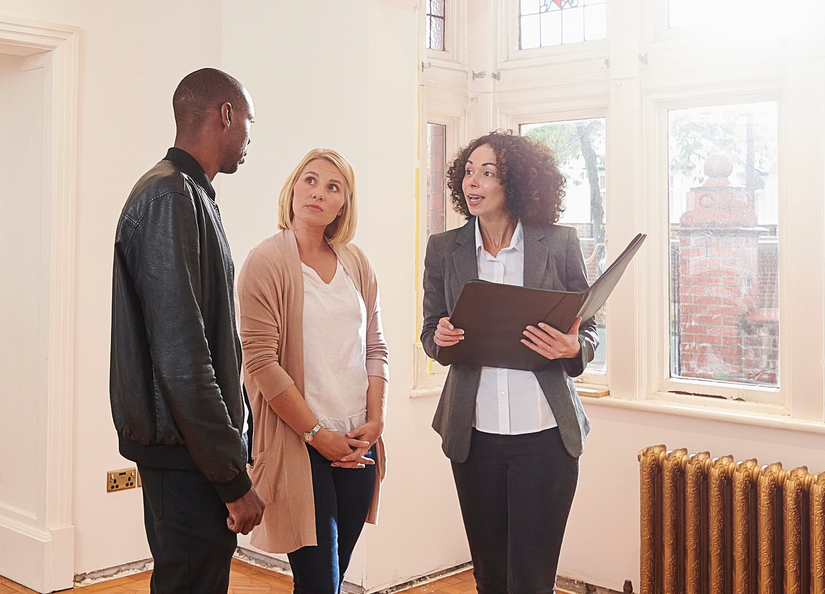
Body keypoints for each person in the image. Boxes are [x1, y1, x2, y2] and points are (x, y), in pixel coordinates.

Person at [421, 131, 599, 594]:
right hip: (474, 437)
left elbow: (590, 327)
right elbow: (429, 332)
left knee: (532, 581)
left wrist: (573, 348)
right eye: (467, 172)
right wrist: (439, 338)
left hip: (544, 439)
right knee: (490, 579)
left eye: (488, 172)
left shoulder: (558, 243)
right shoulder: (445, 249)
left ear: (515, 183)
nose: (472, 182)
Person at [110, 68, 265, 594]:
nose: (250, 137)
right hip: (188, 456)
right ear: (225, 115)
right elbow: (182, 355)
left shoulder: (185, 195)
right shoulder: (171, 197)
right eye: (248, 121)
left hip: (190, 449)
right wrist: (230, 475)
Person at [237, 148, 389, 594]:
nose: (318, 192)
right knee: (319, 582)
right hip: (301, 442)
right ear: (292, 187)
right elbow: (261, 362)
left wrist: (375, 422)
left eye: (332, 187)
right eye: (310, 180)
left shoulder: (357, 263)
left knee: (332, 581)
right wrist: (318, 435)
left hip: (358, 440)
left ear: (344, 204)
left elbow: (375, 347)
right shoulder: (265, 261)